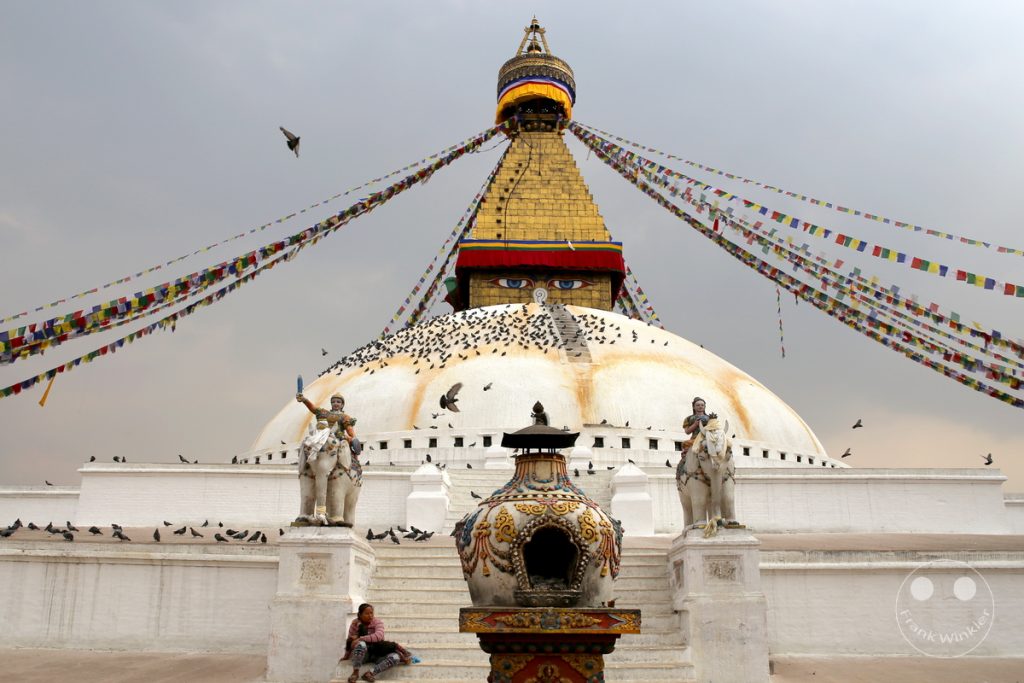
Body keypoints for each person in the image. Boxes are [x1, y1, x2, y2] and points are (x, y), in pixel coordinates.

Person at [342, 603, 413, 682]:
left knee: (395, 657)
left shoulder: (377, 622)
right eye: (367, 613)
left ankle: (370, 674)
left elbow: (378, 636)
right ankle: (355, 673)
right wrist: (346, 655)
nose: (370, 616)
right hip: (363, 655)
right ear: (360, 614)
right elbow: (349, 640)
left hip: (378, 652)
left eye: (371, 613)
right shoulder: (355, 623)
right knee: (361, 644)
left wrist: (360, 638)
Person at [296, 392, 361, 455]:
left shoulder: (345, 417)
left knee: (348, 448)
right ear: (331, 403)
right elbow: (313, 408)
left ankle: (354, 461)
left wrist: (353, 439)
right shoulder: (324, 413)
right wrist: (304, 400)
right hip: (322, 434)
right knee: (307, 443)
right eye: (333, 402)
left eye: (338, 402)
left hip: (338, 435)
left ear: (342, 405)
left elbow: (350, 430)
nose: (335, 403)